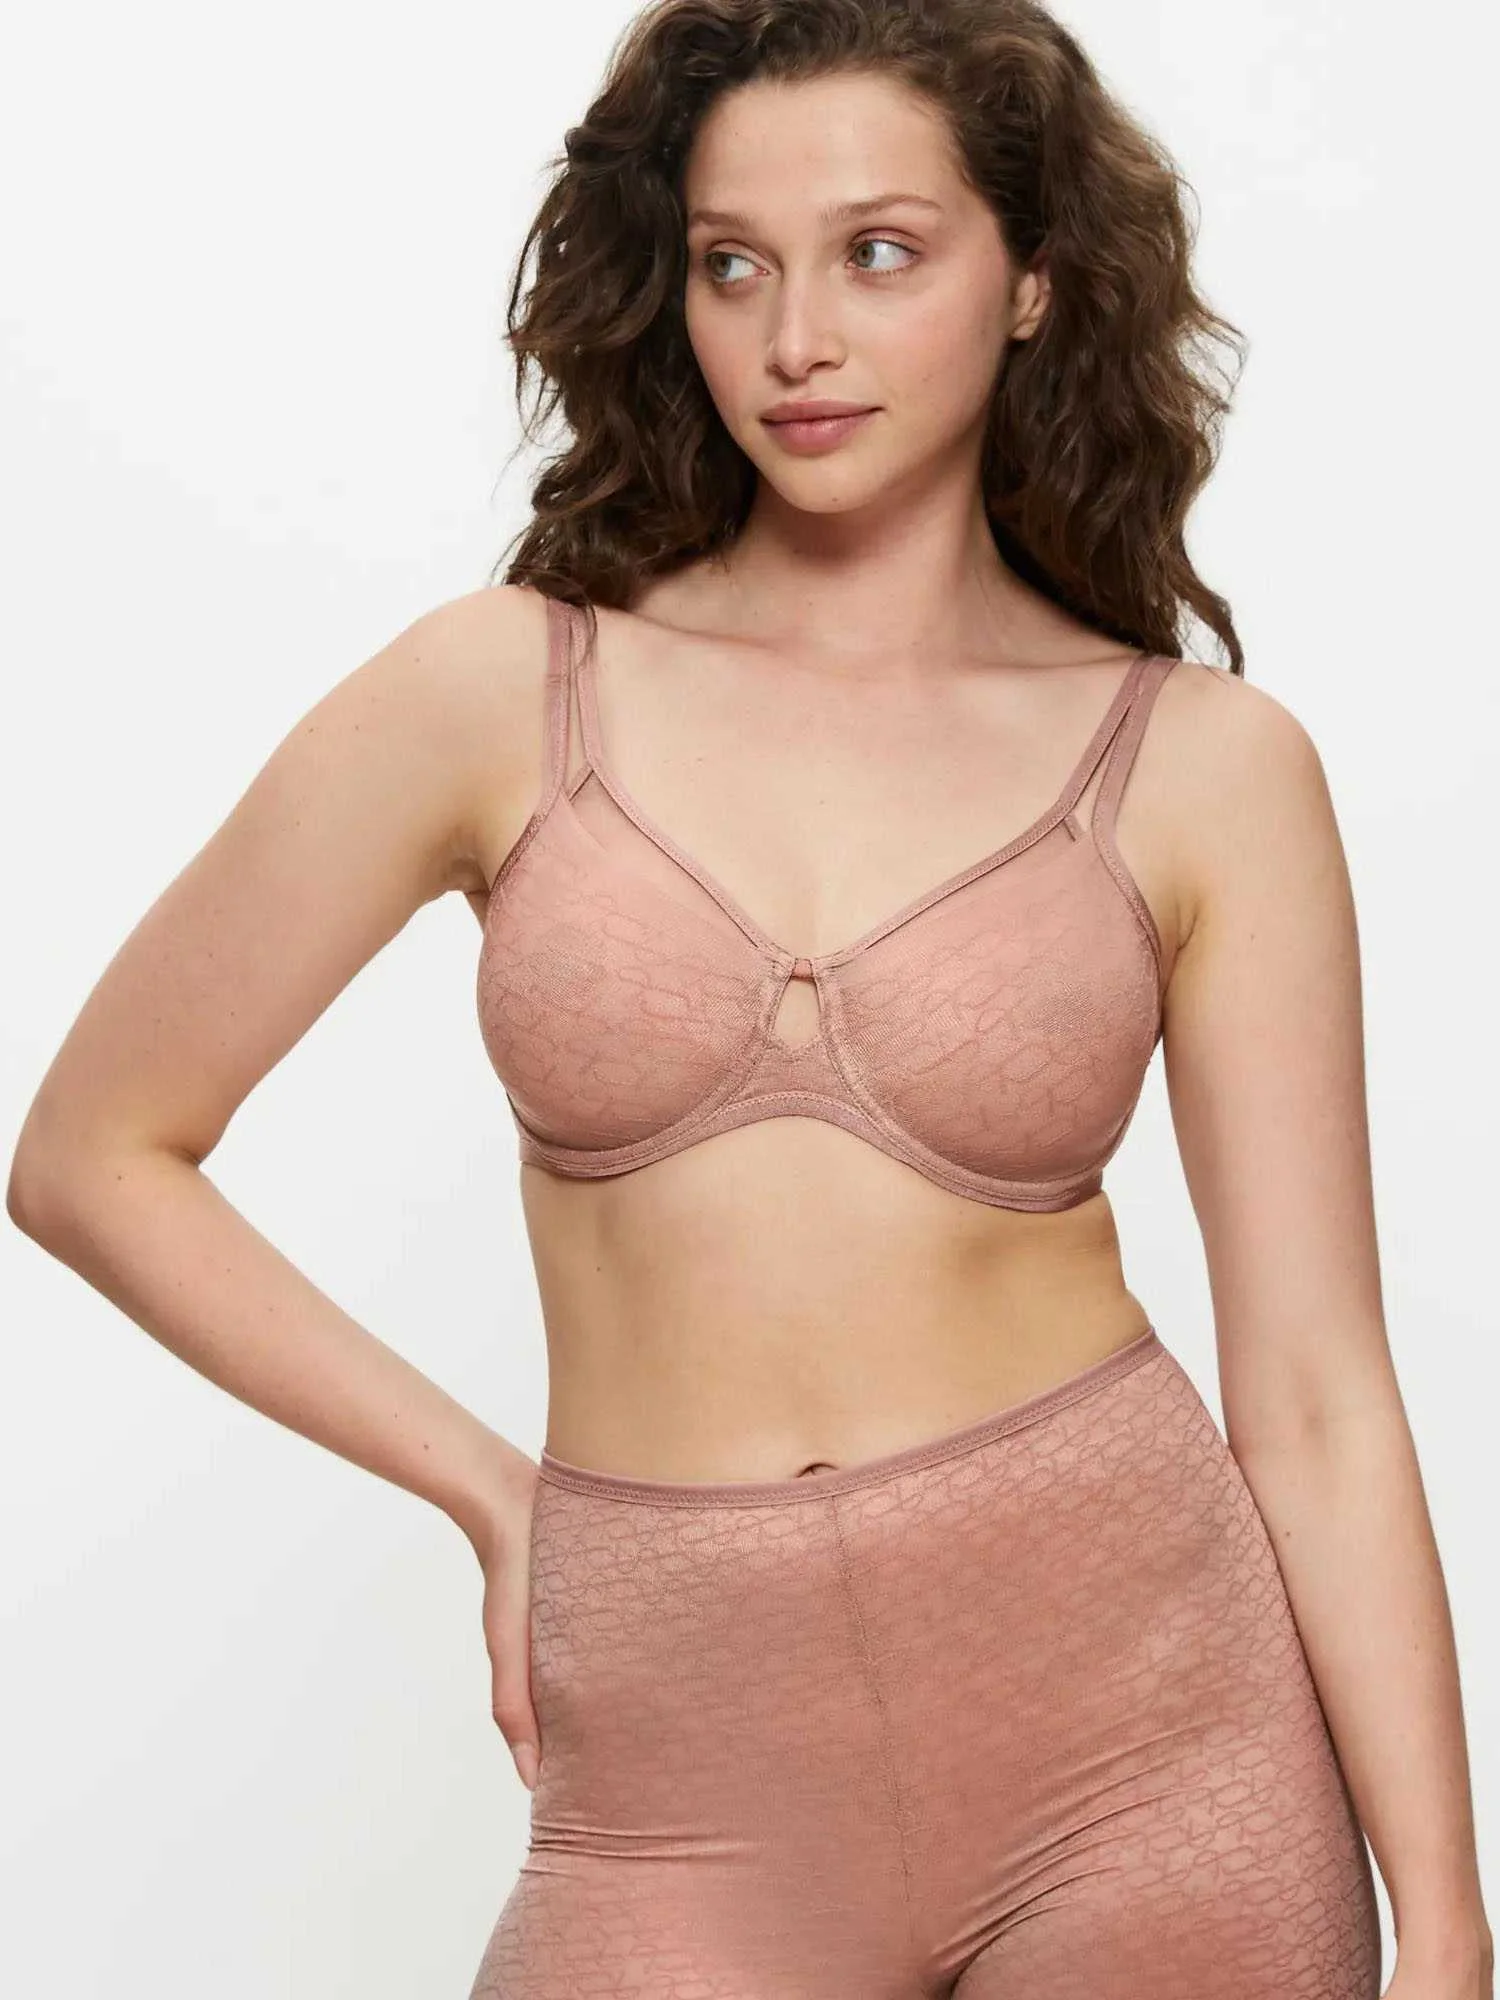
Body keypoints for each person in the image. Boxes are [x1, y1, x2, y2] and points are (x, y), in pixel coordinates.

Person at [7, 0, 1492, 1995]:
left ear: (1036, 280)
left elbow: (1313, 1392)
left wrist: (1447, 1920)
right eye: (733, 264)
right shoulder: (504, 689)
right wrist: (490, 1491)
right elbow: (94, 1153)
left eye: (880, 251)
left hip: (1153, 1753)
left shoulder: (1205, 767)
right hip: (680, 1789)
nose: (797, 337)